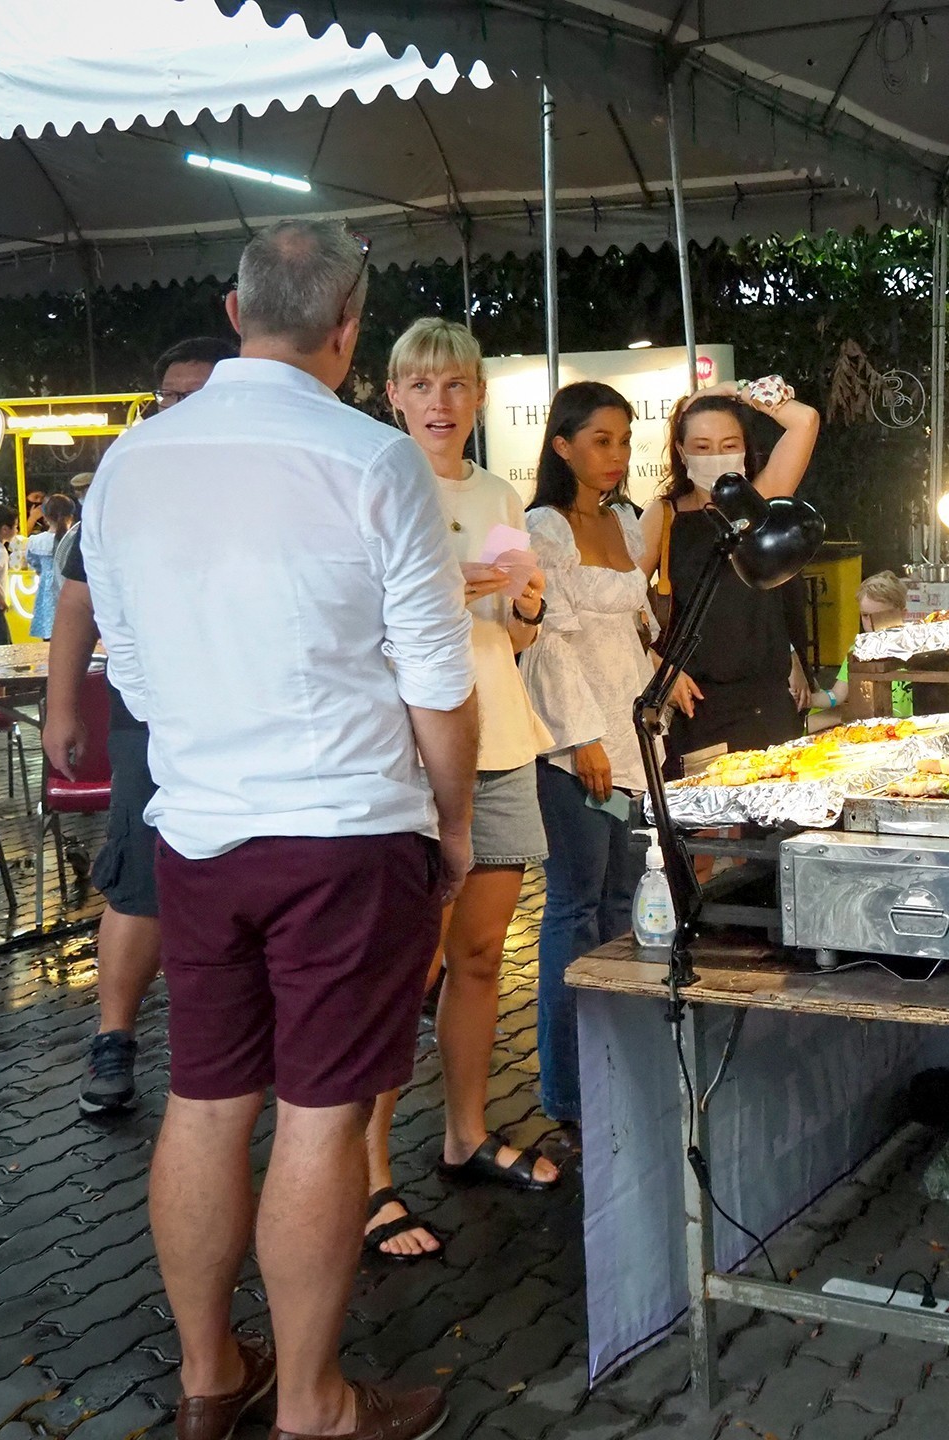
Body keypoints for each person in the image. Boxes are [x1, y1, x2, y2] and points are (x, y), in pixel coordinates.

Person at [80, 219, 475, 1440]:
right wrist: (454, 821)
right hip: (346, 830)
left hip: (197, 831)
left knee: (206, 1099)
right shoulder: (374, 459)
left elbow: (126, 665)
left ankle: (211, 1377)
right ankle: (314, 1403)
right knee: (319, 1111)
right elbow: (436, 680)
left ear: (233, 309)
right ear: (351, 329)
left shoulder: (130, 464)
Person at [361, 318, 558, 1261]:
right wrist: (452, 586)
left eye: (456, 386)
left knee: (480, 955)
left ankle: (465, 1133)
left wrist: (527, 603)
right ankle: (367, 1175)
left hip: (502, 733)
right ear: (393, 394)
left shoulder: (498, 491)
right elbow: (360, 620)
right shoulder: (372, 482)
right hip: (412, 744)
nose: (440, 403)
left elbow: (513, 631)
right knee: (405, 967)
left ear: (479, 397)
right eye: (421, 385)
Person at [45, 337, 234, 1118]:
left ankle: (237, 1041)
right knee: (139, 882)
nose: (181, 410)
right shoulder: (126, 479)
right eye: (170, 397)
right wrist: (61, 708)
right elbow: (78, 602)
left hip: (249, 720)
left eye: (200, 395)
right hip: (149, 720)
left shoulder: (258, 473)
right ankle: (114, 1038)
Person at [522, 382, 695, 1126]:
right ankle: (568, 1091)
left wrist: (666, 668)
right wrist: (580, 735)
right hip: (575, 746)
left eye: (624, 440)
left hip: (634, 737)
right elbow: (548, 644)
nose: (617, 454)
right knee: (575, 908)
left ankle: (620, 1071)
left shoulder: (624, 521)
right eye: (601, 440)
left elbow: (633, 624)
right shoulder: (542, 527)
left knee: (629, 905)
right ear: (562, 446)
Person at [646, 380, 821, 761]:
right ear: (681, 451)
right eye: (702, 447)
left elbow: (805, 420)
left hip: (770, 703)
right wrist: (660, 668)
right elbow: (621, 606)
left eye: (729, 445)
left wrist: (734, 390)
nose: (716, 456)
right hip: (699, 706)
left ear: (745, 448)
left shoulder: (760, 500)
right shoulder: (664, 516)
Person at [809, 570, 911, 716]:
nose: (871, 623)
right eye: (865, 615)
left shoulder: (916, 648)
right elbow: (837, 695)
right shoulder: (857, 651)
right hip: (875, 727)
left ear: (903, 614)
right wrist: (806, 699)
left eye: (881, 616)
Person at [26, 495, 75, 640]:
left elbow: (33, 562)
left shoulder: (36, 541)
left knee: (49, 635)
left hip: (46, 591)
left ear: (45, 517)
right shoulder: (74, 540)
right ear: (70, 516)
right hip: (70, 588)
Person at [0, 505, 17, 646]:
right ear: (5, 529)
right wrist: (0, 598)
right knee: (1, 648)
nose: (17, 530)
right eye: (15, 527)